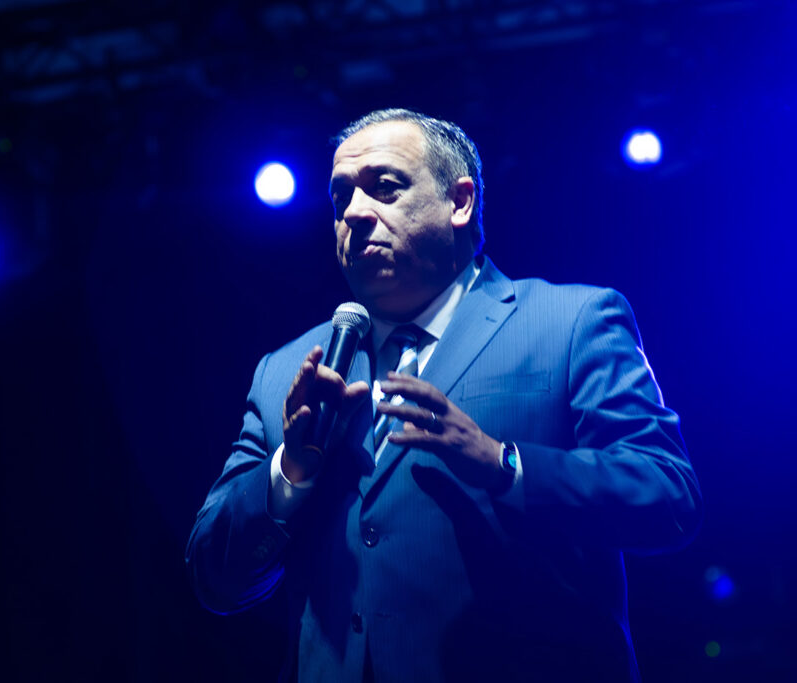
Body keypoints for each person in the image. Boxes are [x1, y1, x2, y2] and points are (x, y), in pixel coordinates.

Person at [186, 108, 702, 682]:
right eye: (339, 198)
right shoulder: (286, 372)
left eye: (385, 188)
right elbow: (215, 579)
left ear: (460, 202)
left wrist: (505, 464)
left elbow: (668, 497)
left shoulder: (572, 321)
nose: (355, 213)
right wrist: (290, 475)